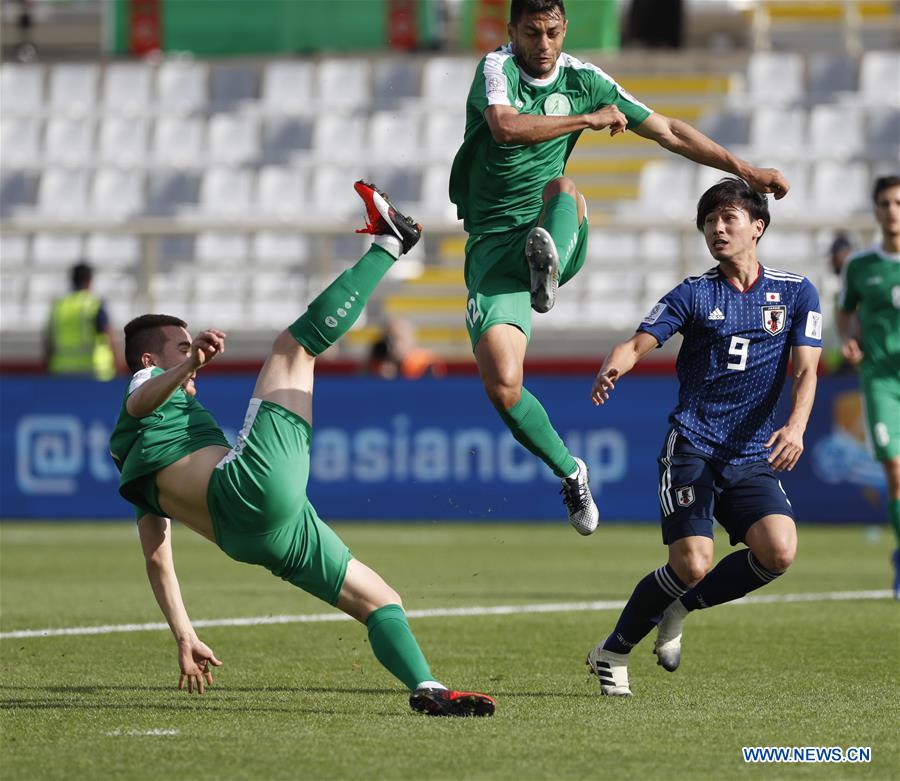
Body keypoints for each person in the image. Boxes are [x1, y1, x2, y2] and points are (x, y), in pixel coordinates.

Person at [108, 181, 495, 717]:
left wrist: (183, 634)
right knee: (293, 347)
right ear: (150, 359)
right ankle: (391, 242)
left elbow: (157, 557)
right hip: (245, 490)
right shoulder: (146, 389)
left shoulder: (135, 460)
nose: (189, 350)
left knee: (381, 602)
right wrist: (188, 365)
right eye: (180, 344)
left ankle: (427, 687)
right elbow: (139, 399)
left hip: (256, 537)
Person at [449, 0, 790, 536]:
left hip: (552, 227)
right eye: (532, 33)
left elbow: (669, 130)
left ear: (565, 30)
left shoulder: (586, 78)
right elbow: (504, 127)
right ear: (511, 31)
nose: (543, 44)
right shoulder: (497, 69)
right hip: (492, 249)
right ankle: (571, 471)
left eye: (553, 32)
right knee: (504, 386)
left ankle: (549, 263)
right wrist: (586, 119)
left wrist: (743, 168)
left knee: (562, 187)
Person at [584, 178, 822, 696]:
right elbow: (639, 341)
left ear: (757, 227)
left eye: (728, 218)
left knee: (779, 552)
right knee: (691, 562)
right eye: (710, 221)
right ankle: (612, 651)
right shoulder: (696, 293)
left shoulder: (797, 292)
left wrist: (797, 426)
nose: (717, 228)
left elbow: (806, 372)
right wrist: (616, 365)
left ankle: (680, 607)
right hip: (693, 445)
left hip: (752, 451)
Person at [837, 175, 900, 599]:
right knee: (896, 472)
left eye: (898, 202)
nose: (892, 211)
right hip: (881, 381)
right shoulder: (861, 266)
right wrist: (848, 340)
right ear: (876, 211)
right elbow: (845, 314)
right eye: (884, 204)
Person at [45, 261, 125, 380]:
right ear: (89, 281)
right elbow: (109, 336)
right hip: (93, 372)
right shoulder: (94, 304)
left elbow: (48, 341)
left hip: (61, 372)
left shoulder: (59, 305)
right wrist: (118, 365)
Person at [366, 317, 448, 379]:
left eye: (397, 338)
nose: (392, 345)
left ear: (412, 339)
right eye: (387, 339)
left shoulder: (426, 363)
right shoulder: (379, 362)